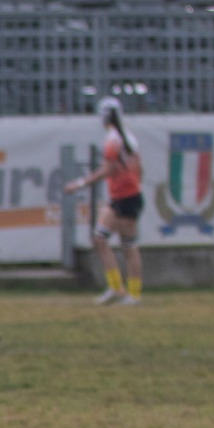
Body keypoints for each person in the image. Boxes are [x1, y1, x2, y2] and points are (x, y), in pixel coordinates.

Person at [65, 97, 144, 306]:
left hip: (125, 196)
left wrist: (80, 183)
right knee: (101, 238)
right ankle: (116, 287)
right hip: (125, 195)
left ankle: (133, 293)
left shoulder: (113, 140)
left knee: (128, 245)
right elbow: (139, 168)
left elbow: (108, 170)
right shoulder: (128, 138)